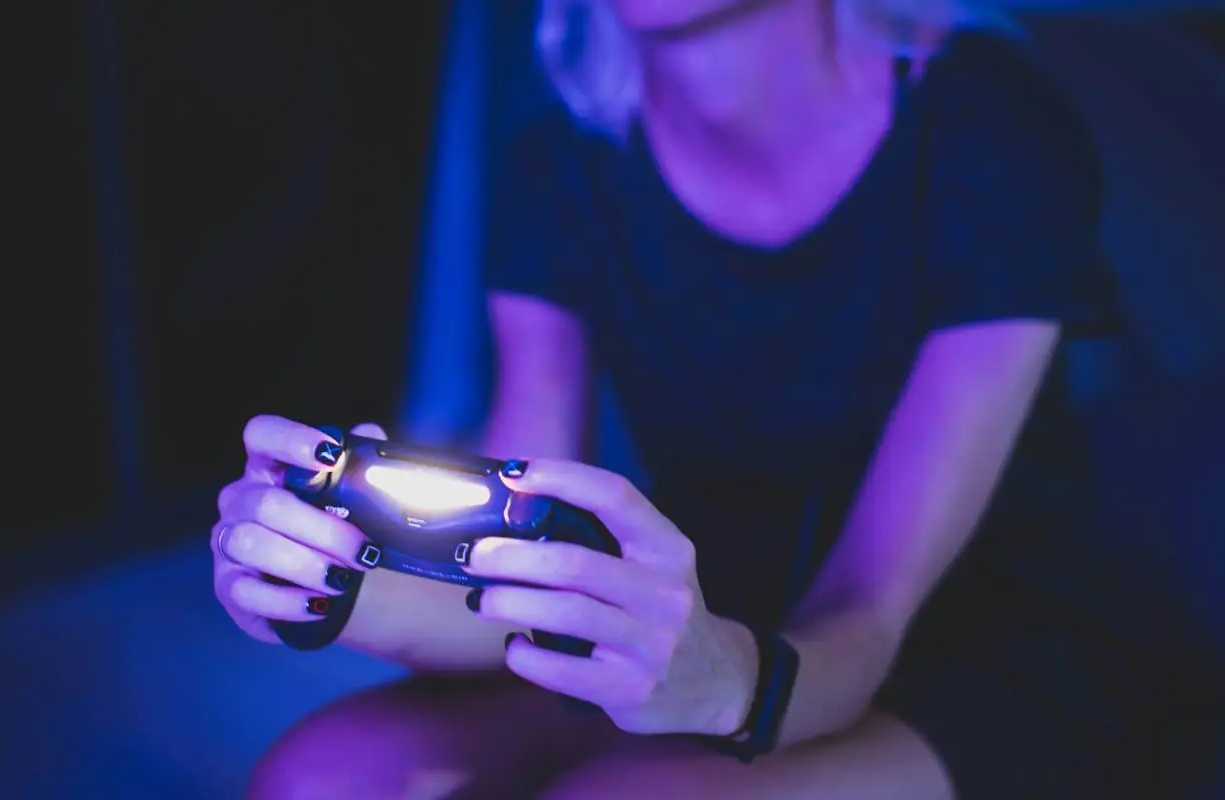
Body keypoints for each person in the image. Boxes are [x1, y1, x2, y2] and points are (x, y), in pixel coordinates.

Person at [210, 1, 1154, 797]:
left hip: (974, 642)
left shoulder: (986, 127)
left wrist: (725, 681)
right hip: (701, 597)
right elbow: (502, 569)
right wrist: (321, 583)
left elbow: (867, 617)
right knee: (319, 779)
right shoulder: (561, 161)